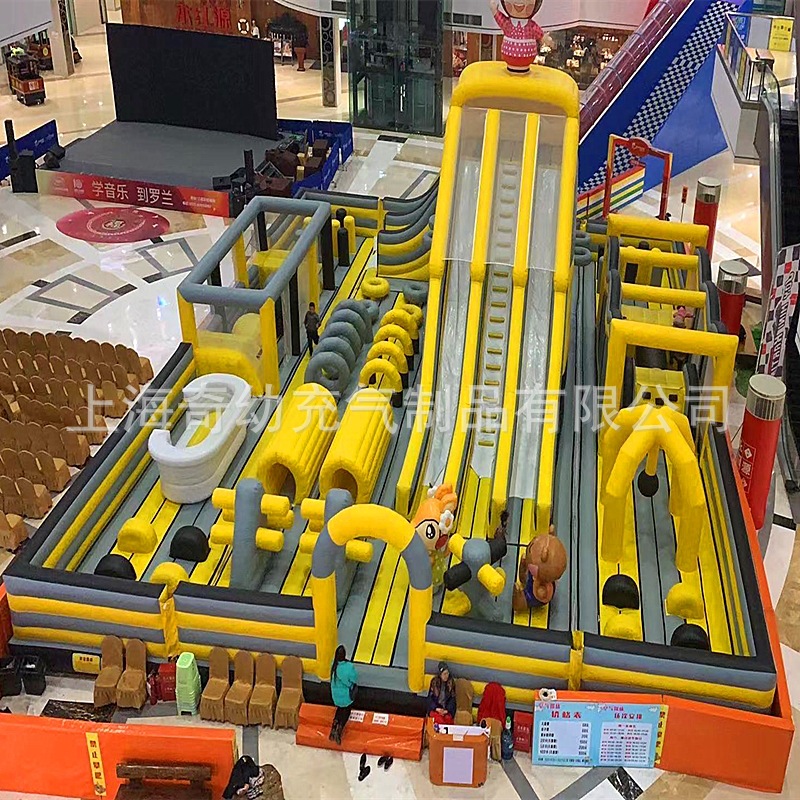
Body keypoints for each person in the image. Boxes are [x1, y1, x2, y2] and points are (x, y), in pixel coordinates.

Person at [329, 645, 358, 745]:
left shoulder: (333, 664)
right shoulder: (349, 667)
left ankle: (334, 724)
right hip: (346, 695)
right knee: (346, 711)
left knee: (340, 709)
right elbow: (354, 679)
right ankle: (340, 728)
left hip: (335, 695)